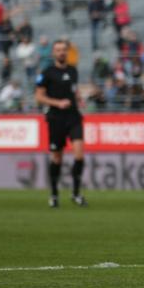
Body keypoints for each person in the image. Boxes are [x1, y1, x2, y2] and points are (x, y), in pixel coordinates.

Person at [34, 40, 86, 208]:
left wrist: (79, 98)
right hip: (56, 118)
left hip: (73, 116)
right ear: (53, 53)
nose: (61, 53)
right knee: (57, 157)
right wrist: (58, 103)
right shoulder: (47, 73)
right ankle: (54, 194)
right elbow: (39, 97)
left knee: (79, 154)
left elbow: (73, 90)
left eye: (64, 50)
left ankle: (76, 193)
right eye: (58, 50)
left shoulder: (73, 71)